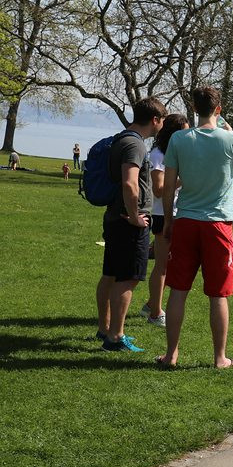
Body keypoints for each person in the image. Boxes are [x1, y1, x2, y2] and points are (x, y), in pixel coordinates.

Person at [158, 87, 233, 369]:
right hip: (218, 224)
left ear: (194, 107)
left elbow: (168, 188)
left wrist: (168, 221)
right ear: (218, 109)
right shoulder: (231, 138)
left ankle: (171, 355)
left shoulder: (178, 138)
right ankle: (219, 358)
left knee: (178, 290)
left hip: (186, 221)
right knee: (218, 293)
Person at [95, 98, 166, 351]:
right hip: (128, 222)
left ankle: (105, 329)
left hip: (115, 217)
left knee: (111, 275)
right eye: (162, 120)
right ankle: (115, 337)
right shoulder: (135, 145)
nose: (163, 125)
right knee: (129, 279)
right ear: (155, 120)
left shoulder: (121, 138)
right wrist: (135, 215)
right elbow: (129, 183)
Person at [142, 113, 190, 327]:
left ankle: (151, 304)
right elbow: (159, 190)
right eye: (184, 132)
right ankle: (155, 313)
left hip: (173, 214)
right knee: (161, 267)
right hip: (162, 216)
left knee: (169, 266)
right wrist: (184, 178)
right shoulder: (158, 155)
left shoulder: (172, 153)